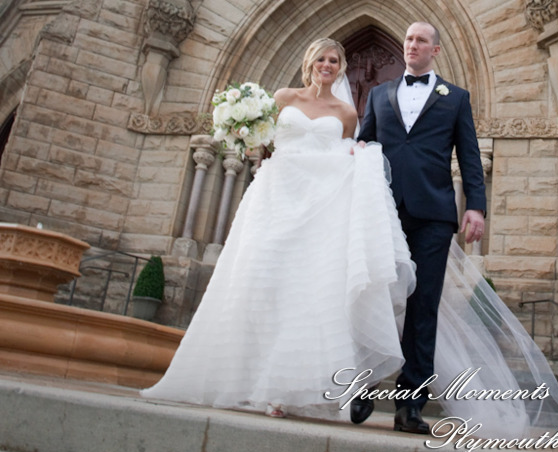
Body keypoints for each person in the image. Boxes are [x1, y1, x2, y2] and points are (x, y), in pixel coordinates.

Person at [142, 38, 416, 418]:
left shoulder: (346, 114)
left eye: (334, 60)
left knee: (303, 293)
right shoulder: (283, 98)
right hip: (275, 199)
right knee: (261, 282)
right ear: (309, 62)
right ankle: (239, 380)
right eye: (321, 58)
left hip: (319, 210)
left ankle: (283, 391)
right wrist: (243, 132)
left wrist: (360, 155)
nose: (327, 64)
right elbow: (261, 140)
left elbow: (345, 154)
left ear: (341, 68)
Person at [355, 21, 486, 434]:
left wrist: (476, 208)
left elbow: (469, 156)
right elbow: (363, 146)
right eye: (408, 39)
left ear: (436, 50)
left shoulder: (456, 99)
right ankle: (364, 382)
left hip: (433, 213)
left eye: (421, 40)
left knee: (423, 306)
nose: (412, 45)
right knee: (376, 294)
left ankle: (410, 406)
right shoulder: (378, 95)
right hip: (385, 212)